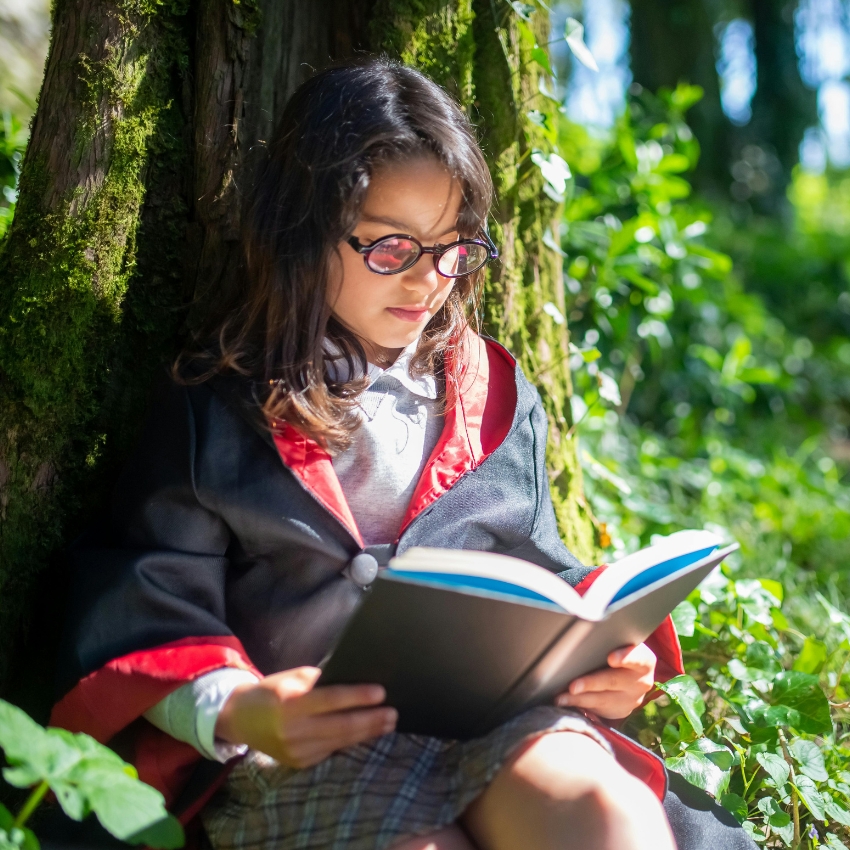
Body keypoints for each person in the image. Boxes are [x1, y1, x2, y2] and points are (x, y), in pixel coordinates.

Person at [51, 57, 756, 850]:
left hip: (491, 724)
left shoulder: (494, 393)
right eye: (392, 248)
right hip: (304, 754)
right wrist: (246, 708)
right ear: (304, 232)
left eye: (456, 250)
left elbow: (537, 573)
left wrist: (603, 658)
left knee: (603, 814)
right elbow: (148, 599)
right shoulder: (216, 404)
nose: (429, 282)